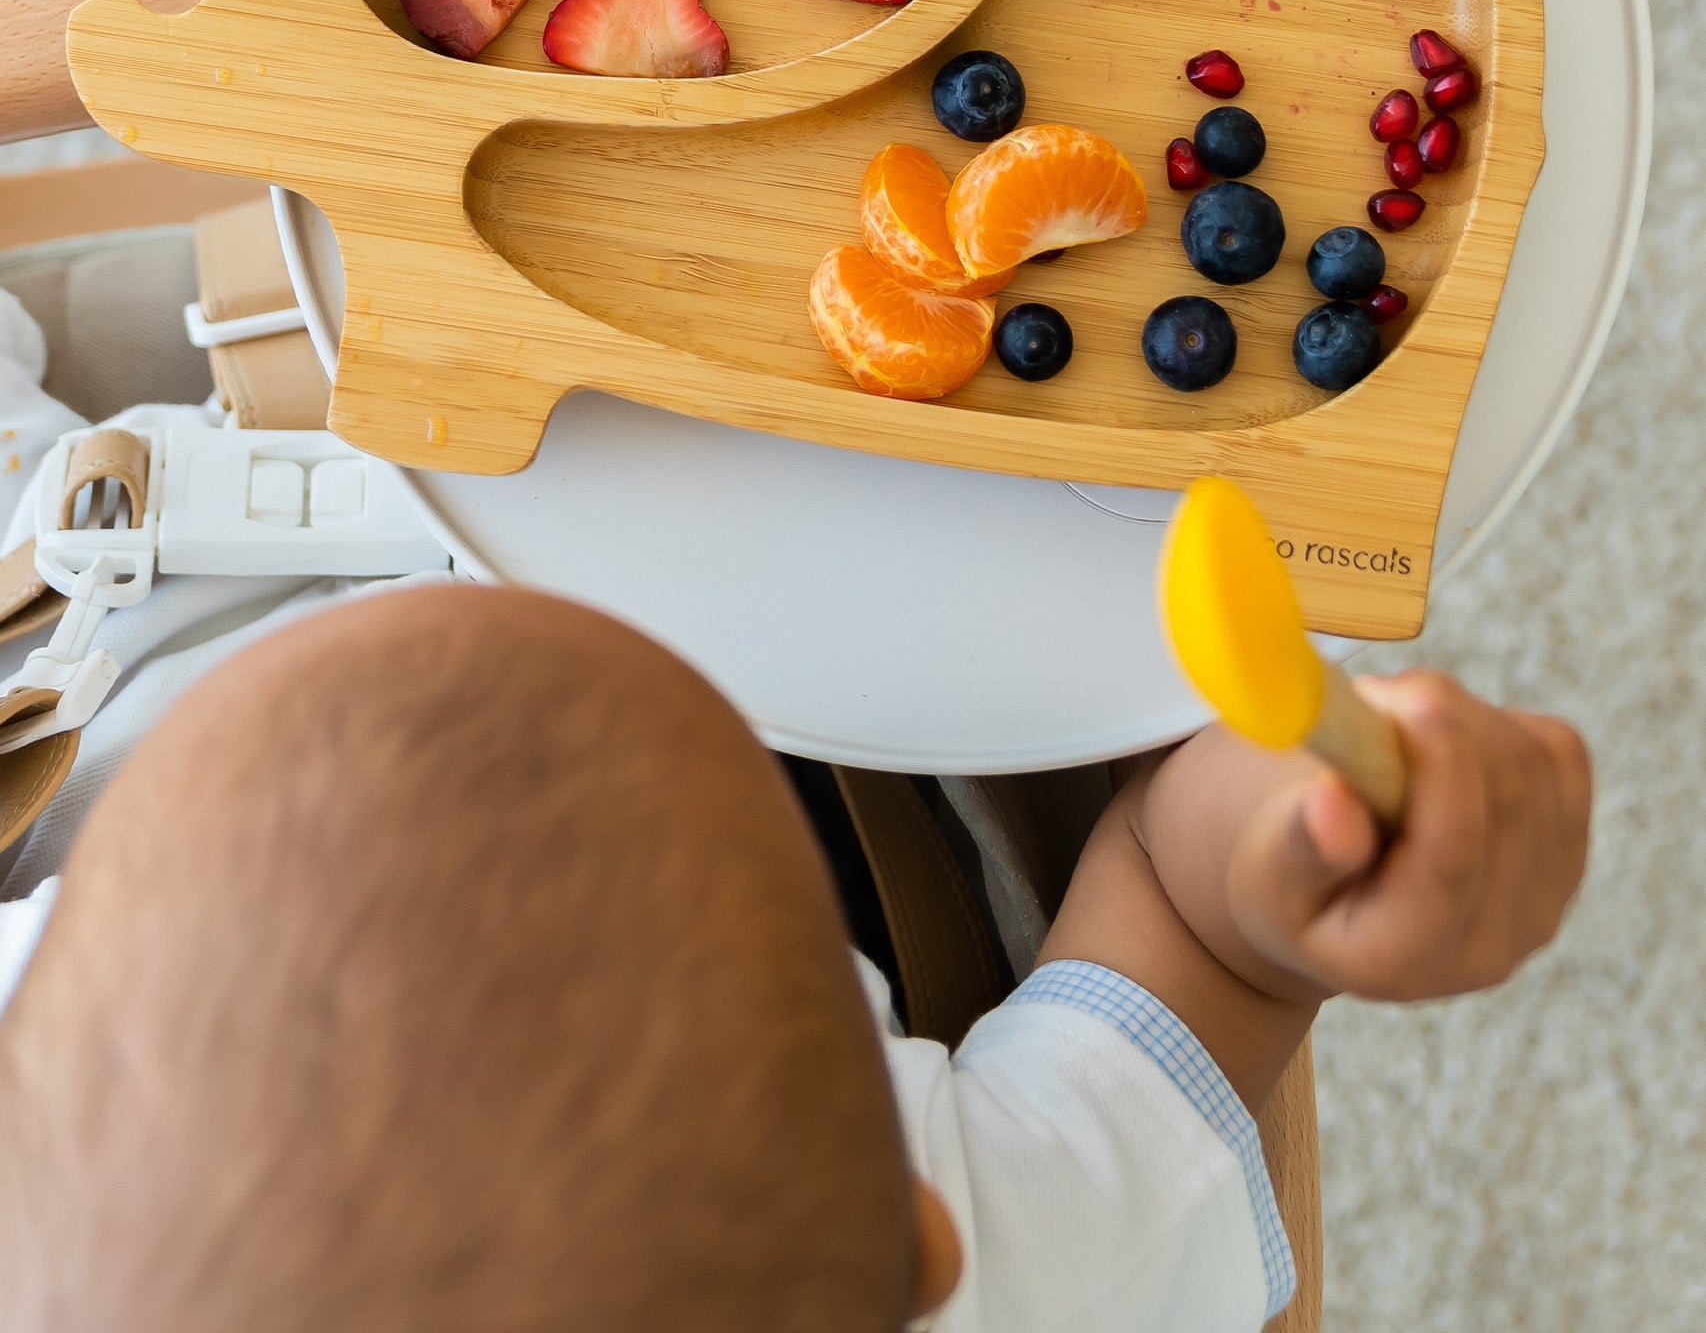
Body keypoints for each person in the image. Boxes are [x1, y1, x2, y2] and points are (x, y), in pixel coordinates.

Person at [0, 285, 1590, 1332]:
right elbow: (1196, 925)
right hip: (869, 653)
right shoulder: (1015, 1281)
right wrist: (1330, 836)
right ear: (924, 1251)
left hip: (109, 600)